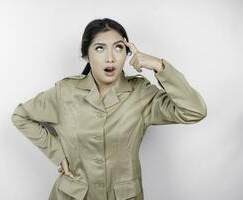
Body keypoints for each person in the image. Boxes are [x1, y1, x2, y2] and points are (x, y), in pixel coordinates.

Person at [11, 18, 207, 200]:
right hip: (72, 195)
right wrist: (57, 153)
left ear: (127, 53)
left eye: (119, 48)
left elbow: (194, 111)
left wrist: (158, 65)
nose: (110, 58)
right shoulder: (65, 92)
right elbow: (21, 116)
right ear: (86, 55)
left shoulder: (141, 93)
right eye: (99, 48)